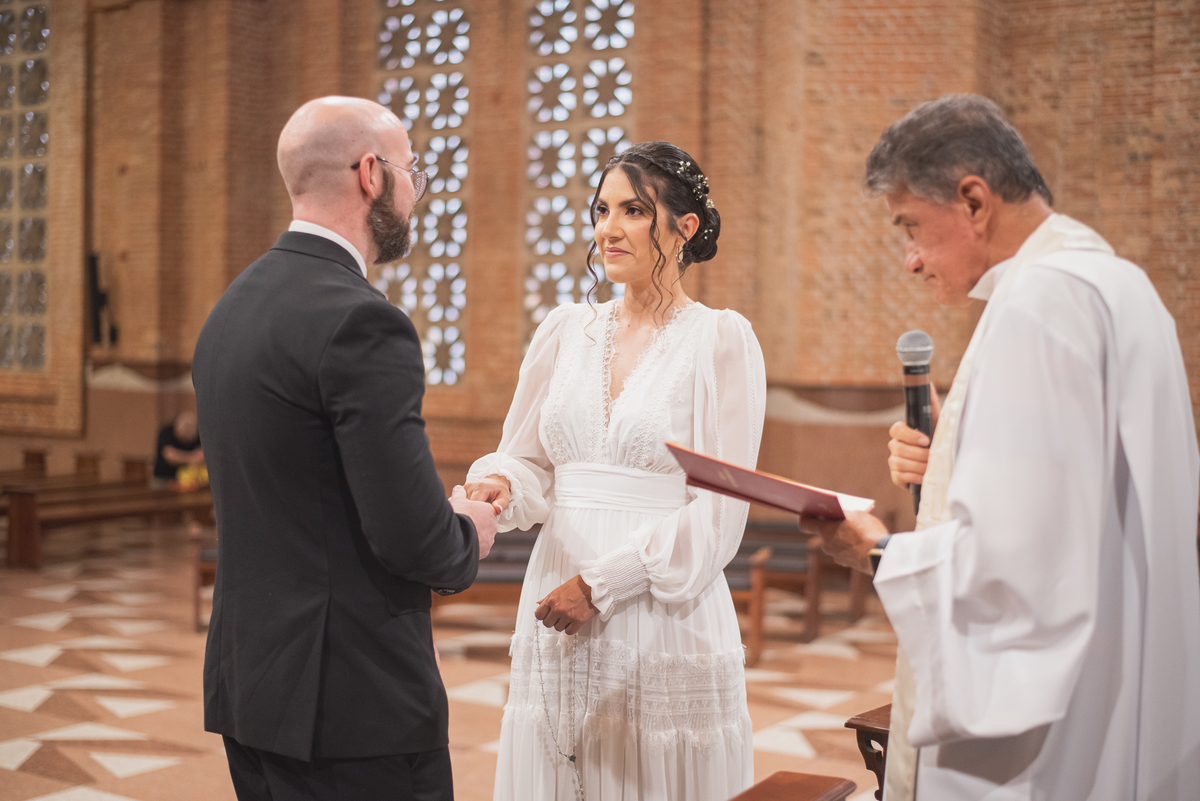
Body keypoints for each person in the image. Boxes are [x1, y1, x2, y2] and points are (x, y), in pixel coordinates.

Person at [801, 94, 1200, 800]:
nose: (910, 259)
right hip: (1117, 688)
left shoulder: (1039, 304)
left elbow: (1015, 575)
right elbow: (1079, 508)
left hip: (1043, 748)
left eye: (911, 226)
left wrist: (876, 548)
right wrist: (953, 463)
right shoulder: (1121, 287)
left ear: (974, 200)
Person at [193, 96, 498, 801]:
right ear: (371, 173)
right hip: (354, 708)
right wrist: (468, 534)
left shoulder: (231, 309)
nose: (417, 190)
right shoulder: (363, 322)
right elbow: (412, 536)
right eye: (413, 169)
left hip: (253, 686)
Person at [465, 141, 766, 801]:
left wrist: (602, 584)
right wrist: (502, 482)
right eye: (602, 209)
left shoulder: (721, 341)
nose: (609, 227)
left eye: (634, 210)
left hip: (660, 604)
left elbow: (720, 513)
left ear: (685, 228)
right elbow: (528, 455)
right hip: (555, 586)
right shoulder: (565, 330)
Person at [152, 410, 203, 482]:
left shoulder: (197, 435)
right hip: (164, 478)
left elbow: (202, 454)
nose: (185, 443)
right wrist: (191, 458)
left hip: (187, 478)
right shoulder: (166, 432)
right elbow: (169, 455)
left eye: (188, 440)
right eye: (183, 438)